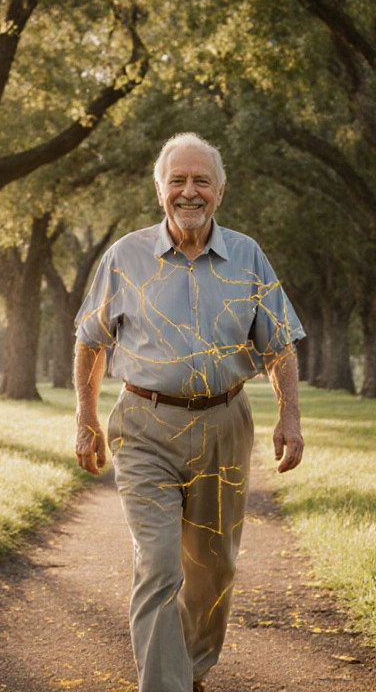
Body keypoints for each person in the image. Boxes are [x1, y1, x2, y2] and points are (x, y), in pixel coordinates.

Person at [72, 132, 306, 692]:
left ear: (220, 191)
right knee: (158, 564)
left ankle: (190, 670)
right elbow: (89, 341)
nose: (189, 191)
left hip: (224, 426)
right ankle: (166, 686)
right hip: (144, 425)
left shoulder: (247, 256)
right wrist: (84, 418)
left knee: (213, 570)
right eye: (177, 180)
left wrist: (290, 418)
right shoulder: (125, 257)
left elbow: (279, 347)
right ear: (160, 190)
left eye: (201, 180)